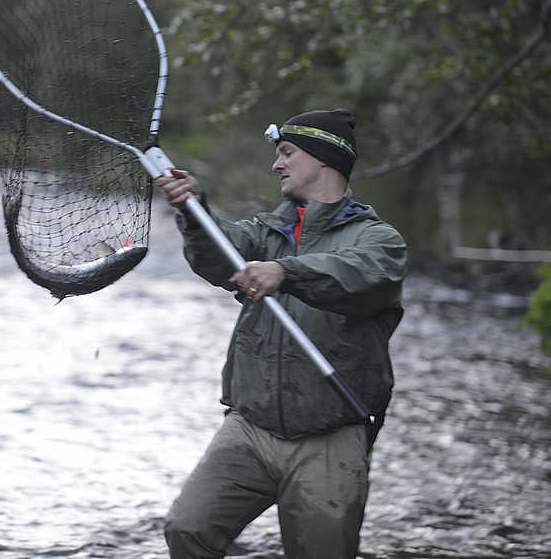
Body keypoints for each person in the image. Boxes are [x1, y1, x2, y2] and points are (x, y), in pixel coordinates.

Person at [156, 108, 408, 558]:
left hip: (331, 435)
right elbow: (219, 257)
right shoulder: (265, 232)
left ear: (325, 160)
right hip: (249, 428)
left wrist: (285, 272)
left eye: (287, 153)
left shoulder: (379, 241)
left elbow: (358, 275)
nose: (277, 164)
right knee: (187, 529)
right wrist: (194, 212)